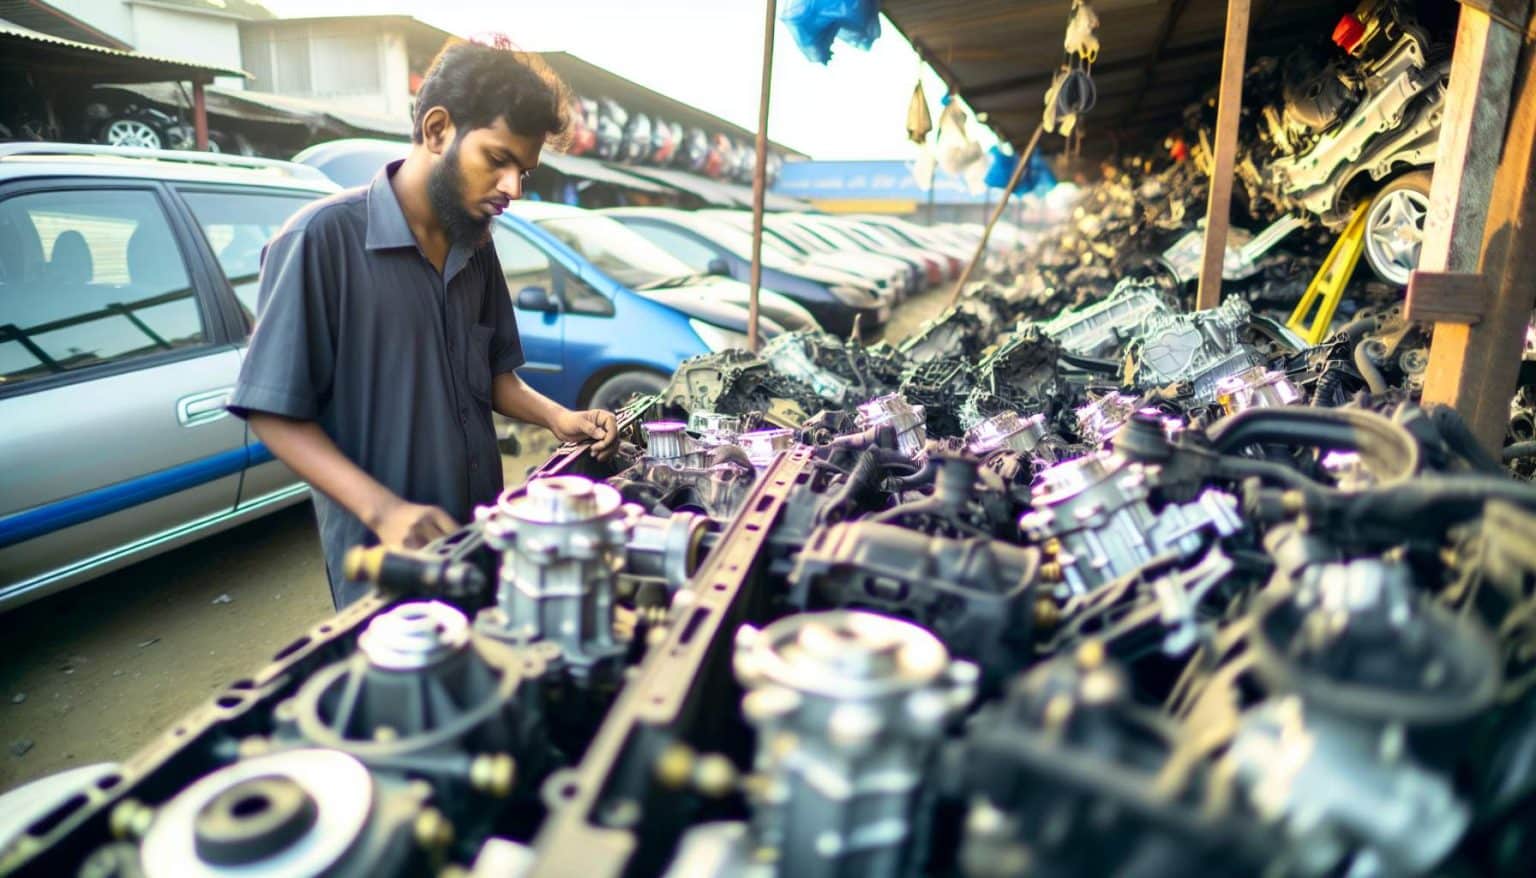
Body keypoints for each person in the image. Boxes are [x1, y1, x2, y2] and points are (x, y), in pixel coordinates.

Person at [229, 39, 618, 608]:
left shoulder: (475, 246)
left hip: (480, 539)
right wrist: (383, 510)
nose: (513, 188)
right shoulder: (319, 241)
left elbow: (493, 377)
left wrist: (560, 415)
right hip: (388, 567)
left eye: (525, 172)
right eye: (498, 160)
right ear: (438, 130)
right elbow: (271, 409)